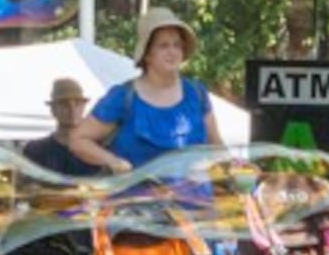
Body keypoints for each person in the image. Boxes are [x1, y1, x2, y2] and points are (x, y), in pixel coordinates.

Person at [74, 9, 215, 168]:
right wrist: (113, 162)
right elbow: (79, 140)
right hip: (138, 192)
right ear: (147, 55)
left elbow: (217, 148)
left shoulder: (197, 93)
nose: (172, 51)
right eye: (163, 46)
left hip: (195, 192)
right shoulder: (122, 97)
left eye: (177, 45)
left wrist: (236, 171)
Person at [24, 74, 130, 178]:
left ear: (84, 107)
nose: (72, 109)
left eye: (77, 103)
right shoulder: (36, 151)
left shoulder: (103, 149)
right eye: (64, 104)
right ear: (53, 109)